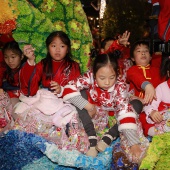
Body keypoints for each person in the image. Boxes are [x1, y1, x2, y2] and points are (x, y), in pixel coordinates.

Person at [62, 52, 149, 163]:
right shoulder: (89, 76)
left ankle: (109, 136)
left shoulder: (120, 85)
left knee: (136, 105)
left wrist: (134, 144)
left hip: (114, 118)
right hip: (92, 115)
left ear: (116, 75)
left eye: (112, 77)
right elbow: (68, 89)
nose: (107, 82)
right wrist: (88, 106)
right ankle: (92, 139)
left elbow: (124, 112)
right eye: (102, 78)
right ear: (94, 74)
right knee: (81, 93)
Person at [23, 31, 81, 96]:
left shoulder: (73, 66)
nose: (57, 50)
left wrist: (61, 90)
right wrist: (31, 60)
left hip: (66, 101)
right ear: (48, 48)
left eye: (62, 46)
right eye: (53, 46)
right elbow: (29, 85)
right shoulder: (43, 64)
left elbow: (76, 89)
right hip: (45, 99)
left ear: (67, 49)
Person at [126, 40, 165, 135]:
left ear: (151, 57)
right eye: (138, 51)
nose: (143, 53)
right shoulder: (132, 70)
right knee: (141, 119)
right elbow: (136, 77)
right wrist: (147, 85)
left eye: (146, 51)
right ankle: (154, 132)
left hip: (156, 106)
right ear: (133, 58)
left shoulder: (157, 71)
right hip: (139, 108)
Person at [1, 41, 35, 107]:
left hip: (25, 96)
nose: (10, 61)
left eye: (13, 57)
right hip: (11, 93)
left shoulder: (26, 67)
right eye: (6, 57)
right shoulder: (5, 68)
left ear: (21, 56)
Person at [143, 53, 170, 136]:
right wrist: (152, 112)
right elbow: (150, 104)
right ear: (168, 73)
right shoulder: (161, 87)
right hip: (161, 123)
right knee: (151, 129)